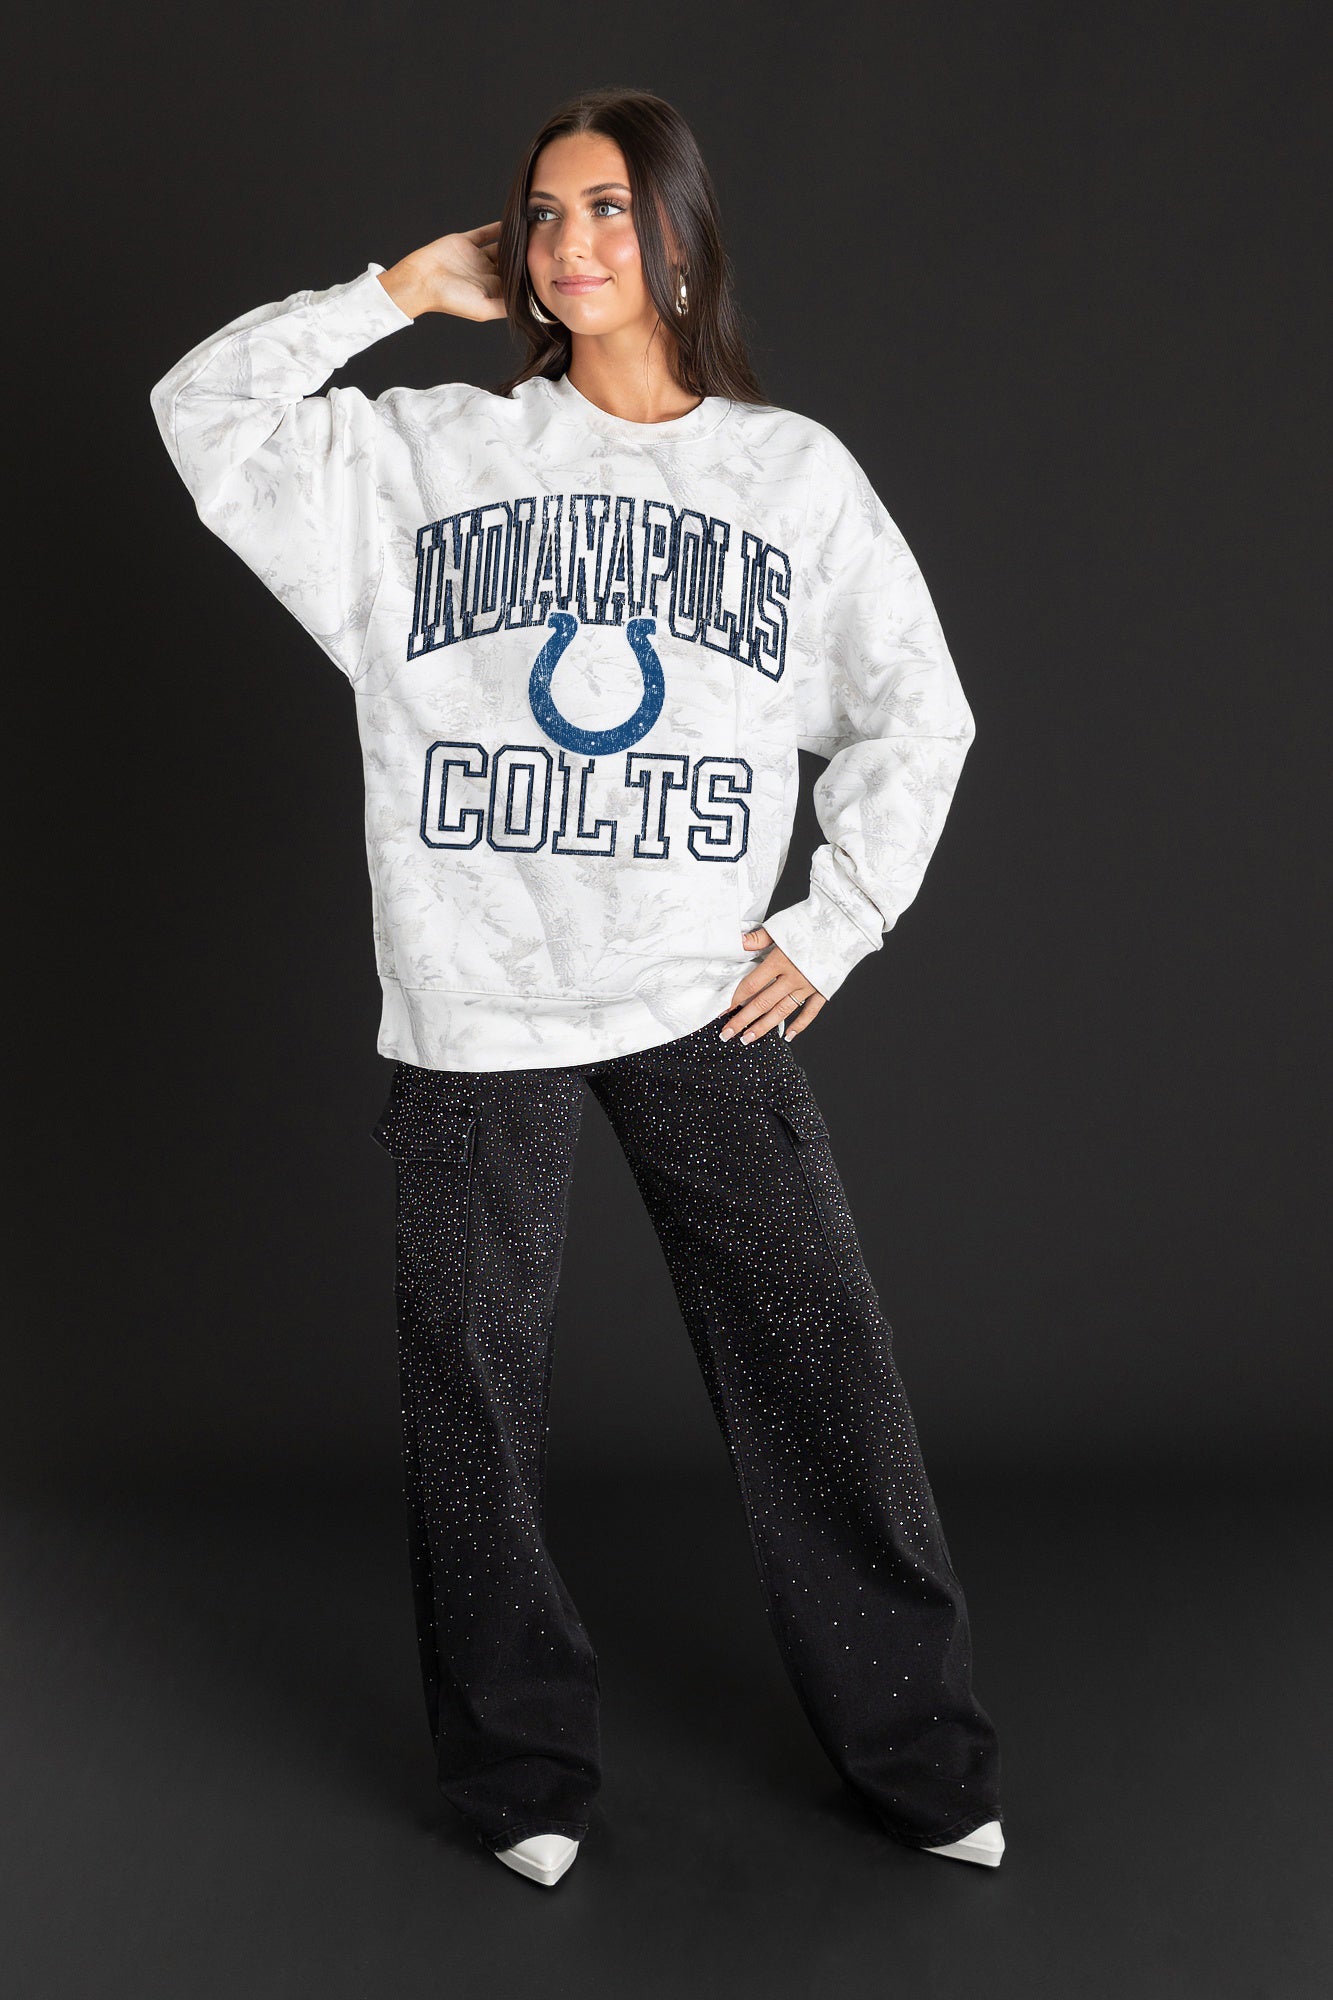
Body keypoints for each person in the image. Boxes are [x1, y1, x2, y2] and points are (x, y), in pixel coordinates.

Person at [149, 85, 1004, 1889]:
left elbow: (915, 712)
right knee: (473, 1401)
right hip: (472, 1004)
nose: (568, 243)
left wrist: (833, 921)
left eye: (609, 207)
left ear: (682, 235)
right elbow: (202, 411)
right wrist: (391, 293)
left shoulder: (787, 478)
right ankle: (518, 1775)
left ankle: (918, 1757)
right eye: (542, 214)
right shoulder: (424, 459)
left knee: (819, 1370)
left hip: (700, 993)